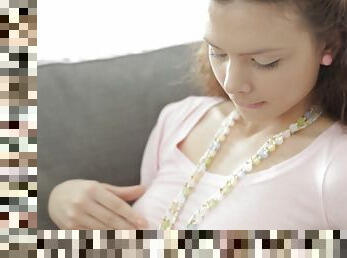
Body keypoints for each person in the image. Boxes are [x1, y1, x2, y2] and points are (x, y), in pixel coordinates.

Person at [48, 0, 347, 229]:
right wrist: (61, 199)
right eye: (218, 52)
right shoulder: (181, 120)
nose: (232, 84)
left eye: (264, 61)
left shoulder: (333, 166)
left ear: (328, 45)